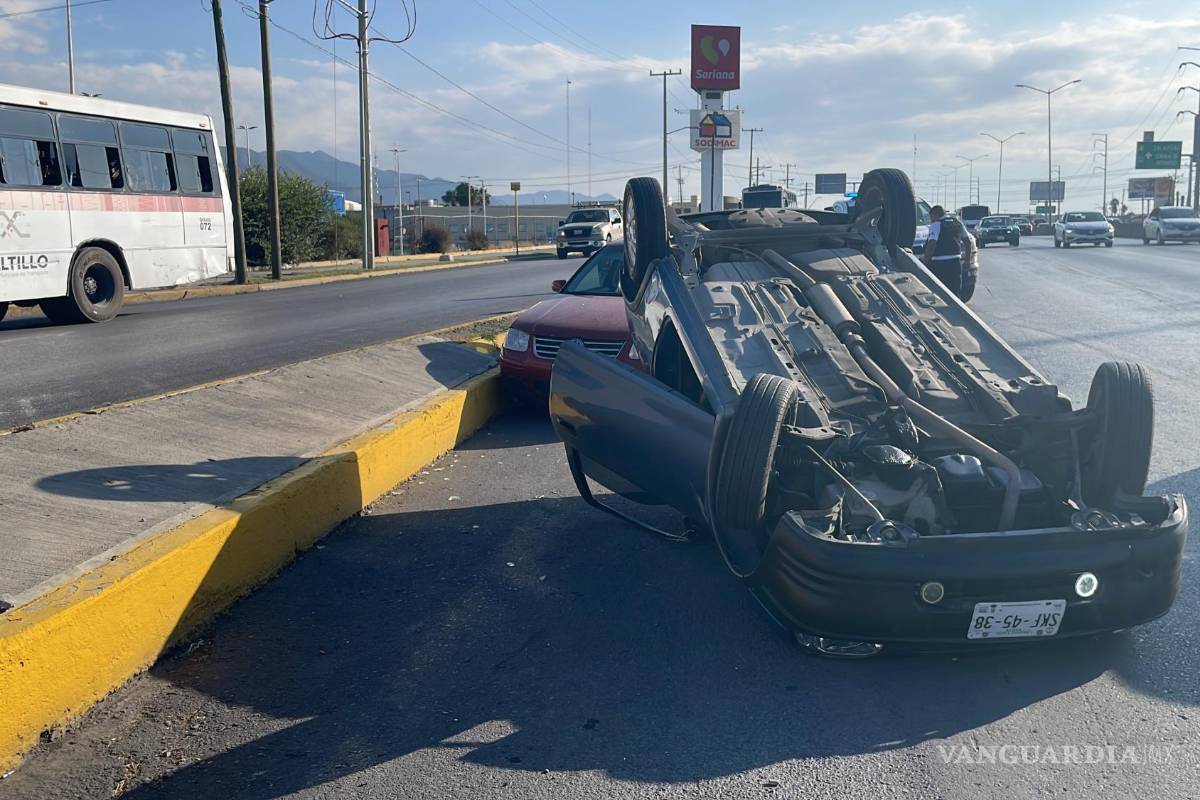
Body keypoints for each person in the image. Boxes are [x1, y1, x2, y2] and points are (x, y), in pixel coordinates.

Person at [921, 205, 978, 300]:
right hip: (956, 263)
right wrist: (967, 261)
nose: (931, 220)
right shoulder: (957, 223)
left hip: (939, 264)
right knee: (955, 292)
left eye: (931, 217)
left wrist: (925, 261)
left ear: (935, 214)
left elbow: (932, 244)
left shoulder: (936, 225)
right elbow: (967, 242)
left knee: (940, 293)